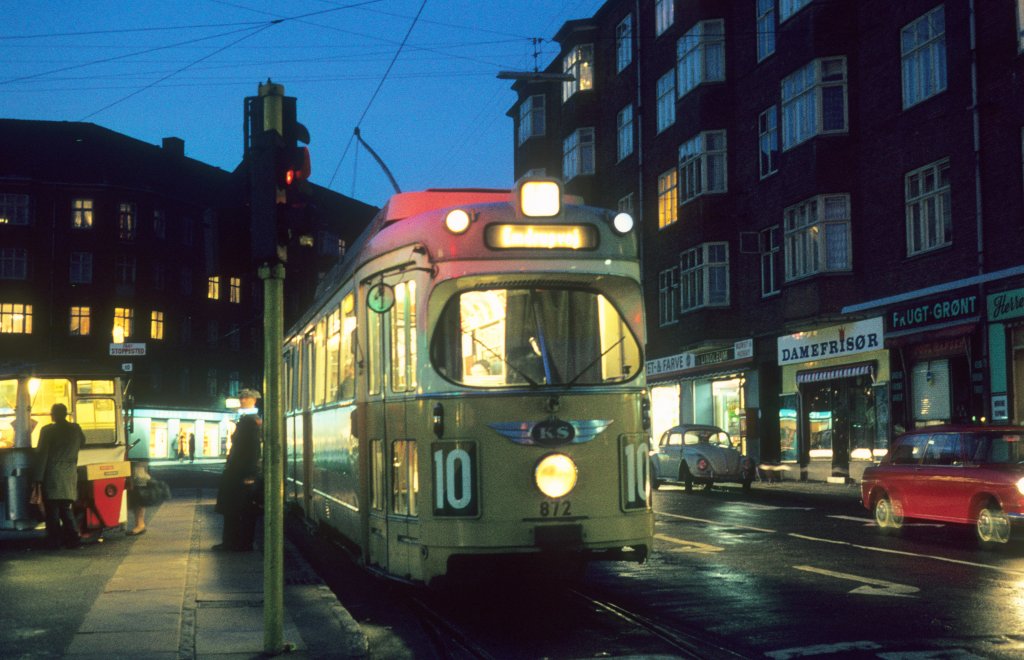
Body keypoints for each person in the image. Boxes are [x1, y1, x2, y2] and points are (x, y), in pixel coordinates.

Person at [214, 389, 262, 551]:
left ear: (254, 400)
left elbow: (253, 450)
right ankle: (233, 542)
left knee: (241, 510)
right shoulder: (245, 419)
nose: (242, 400)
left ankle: (238, 543)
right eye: (241, 398)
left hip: (242, 473)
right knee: (234, 509)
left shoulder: (252, 421)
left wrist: (250, 474)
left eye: (246, 398)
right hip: (237, 471)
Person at [33, 403, 85, 549]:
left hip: (52, 474)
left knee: (52, 510)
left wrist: (37, 478)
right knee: (66, 508)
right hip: (69, 473)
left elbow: (42, 454)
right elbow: (83, 442)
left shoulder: (48, 431)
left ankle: (54, 541)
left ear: (54, 415)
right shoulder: (76, 429)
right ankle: (74, 538)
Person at [126, 459, 170, 536]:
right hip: (134, 459)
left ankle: (140, 524)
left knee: (138, 489)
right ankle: (139, 524)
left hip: (136, 459)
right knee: (137, 488)